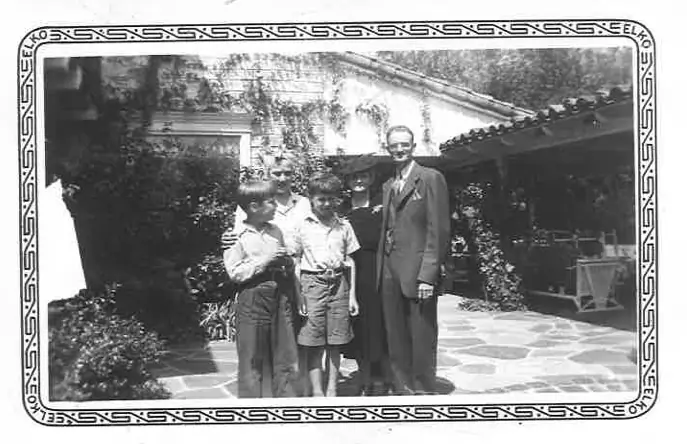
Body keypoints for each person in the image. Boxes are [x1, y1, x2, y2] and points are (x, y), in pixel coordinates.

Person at [222, 155, 311, 396]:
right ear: (254, 207)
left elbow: (287, 264)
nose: (275, 206)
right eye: (271, 202)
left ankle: (287, 406)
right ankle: (252, 409)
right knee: (252, 356)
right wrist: (265, 261)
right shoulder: (236, 237)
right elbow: (235, 273)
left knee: (286, 354)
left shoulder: (276, 231)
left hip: (281, 295)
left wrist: (287, 266)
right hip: (253, 299)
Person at [377, 125, 450, 396]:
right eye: (394, 145)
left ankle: (422, 389)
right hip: (388, 269)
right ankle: (401, 386)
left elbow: (438, 229)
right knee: (395, 334)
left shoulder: (430, 178)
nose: (398, 149)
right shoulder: (387, 184)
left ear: (413, 146)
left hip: (417, 270)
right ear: (387, 148)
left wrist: (427, 275)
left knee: (421, 333)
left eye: (404, 145)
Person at [291, 172, 360, 397]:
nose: (327, 203)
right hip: (312, 284)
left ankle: (332, 388)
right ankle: (317, 391)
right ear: (311, 199)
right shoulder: (302, 226)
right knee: (314, 340)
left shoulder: (344, 226)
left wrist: (352, 296)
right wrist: (299, 295)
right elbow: (296, 261)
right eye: (321, 199)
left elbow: (351, 261)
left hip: (339, 283)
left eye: (331, 198)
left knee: (335, 341)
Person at [339, 155, 391, 396]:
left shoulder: (382, 202)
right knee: (357, 323)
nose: (359, 180)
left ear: (371, 178)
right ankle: (364, 373)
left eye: (363, 176)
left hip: (377, 267)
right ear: (348, 181)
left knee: (377, 321)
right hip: (349, 269)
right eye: (354, 177)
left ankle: (380, 376)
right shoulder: (341, 208)